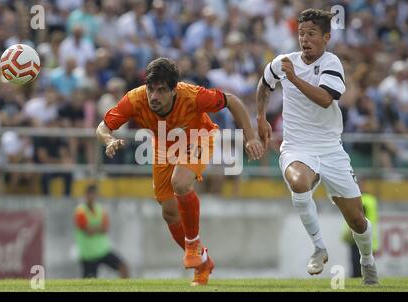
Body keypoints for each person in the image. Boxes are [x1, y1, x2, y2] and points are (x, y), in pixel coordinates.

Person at [96, 57, 263, 286]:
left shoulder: (193, 96)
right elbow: (103, 127)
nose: (154, 96)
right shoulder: (135, 99)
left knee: (181, 183)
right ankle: (203, 262)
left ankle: (193, 245)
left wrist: (250, 136)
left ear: (174, 90)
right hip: (164, 146)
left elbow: (232, 100)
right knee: (169, 213)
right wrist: (108, 140)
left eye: (161, 90)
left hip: (199, 138)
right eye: (151, 89)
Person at [256, 9, 379, 285]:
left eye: (311, 34)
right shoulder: (284, 62)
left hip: (331, 150)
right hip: (297, 147)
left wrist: (294, 78)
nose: (305, 39)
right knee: (299, 184)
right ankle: (319, 248)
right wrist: (260, 118)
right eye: (301, 33)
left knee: (357, 221)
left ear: (326, 37)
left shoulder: (332, 63)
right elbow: (264, 84)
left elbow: (325, 99)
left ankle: (367, 261)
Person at [74, 184, 129, 279]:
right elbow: (88, 231)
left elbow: (105, 228)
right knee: (89, 283)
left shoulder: (100, 209)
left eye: (93, 194)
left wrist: (94, 228)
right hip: (89, 254)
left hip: (102, 250)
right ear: (85, 195)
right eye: (89, 194)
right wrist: (98, 227)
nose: (91, 197)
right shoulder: (80, 211)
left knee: (123, 267)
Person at [342, 181, 379, 278]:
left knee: (357, 263)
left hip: (357, 235)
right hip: (369, 237)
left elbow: (359, 219)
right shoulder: (371, 199)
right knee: (366, 262)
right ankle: (368, 278)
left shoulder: (360, 200)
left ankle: (360, 278)